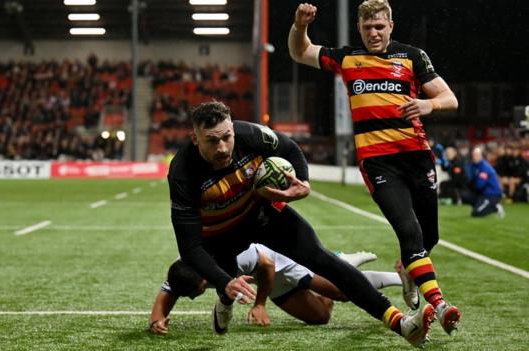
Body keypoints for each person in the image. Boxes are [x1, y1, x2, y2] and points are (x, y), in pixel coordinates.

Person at [168, 100, 434, 348]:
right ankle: (225, 301)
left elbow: (290, 148)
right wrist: (224, 283)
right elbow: (190, 246)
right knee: (229, 282)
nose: (223, 148)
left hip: (263, 215)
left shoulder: (250, 134)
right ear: (195, 138)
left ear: (233, 129)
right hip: (221, 237)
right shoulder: (182, 173)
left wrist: (304, 183)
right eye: (212, 141)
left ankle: (402, 325)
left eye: (226, 137)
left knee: (326, 261)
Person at [288, 0, 461, 337]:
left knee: (429, 237)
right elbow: (300, 52)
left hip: (417, 158)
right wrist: (299, 26)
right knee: (409, 233)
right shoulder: (347, 58)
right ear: (360, 29)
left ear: (391, 26)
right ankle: (440, 306)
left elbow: (450, 99)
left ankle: (409, 270)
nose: (374, 33)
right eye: (367, 28)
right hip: (378, 163)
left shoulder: (411, 56)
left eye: (380, 27)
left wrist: (429, 103)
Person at [149, 245, 403, 334]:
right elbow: (167, 292)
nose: (192, 298)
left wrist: (260, 304)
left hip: (276, 260)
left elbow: (267, 264)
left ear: (203, 281)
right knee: (321, 317)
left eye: (194, 293)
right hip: (262, 277)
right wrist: (156, 321)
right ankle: (338, 267)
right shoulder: (187, 268)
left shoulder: (236, 258)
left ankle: (395, 276)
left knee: (343, 293)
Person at [461, 147, 505, 217]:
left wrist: (472, 186)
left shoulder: (484, 167)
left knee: (476, 213)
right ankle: (479, 205)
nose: (474, 157)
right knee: (465, 195)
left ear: (481, 156)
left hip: (491, 194)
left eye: (477, 155)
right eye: (474, 155)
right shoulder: (474, 166)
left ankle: (495, 207)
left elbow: (480, 185)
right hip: (483, 193)